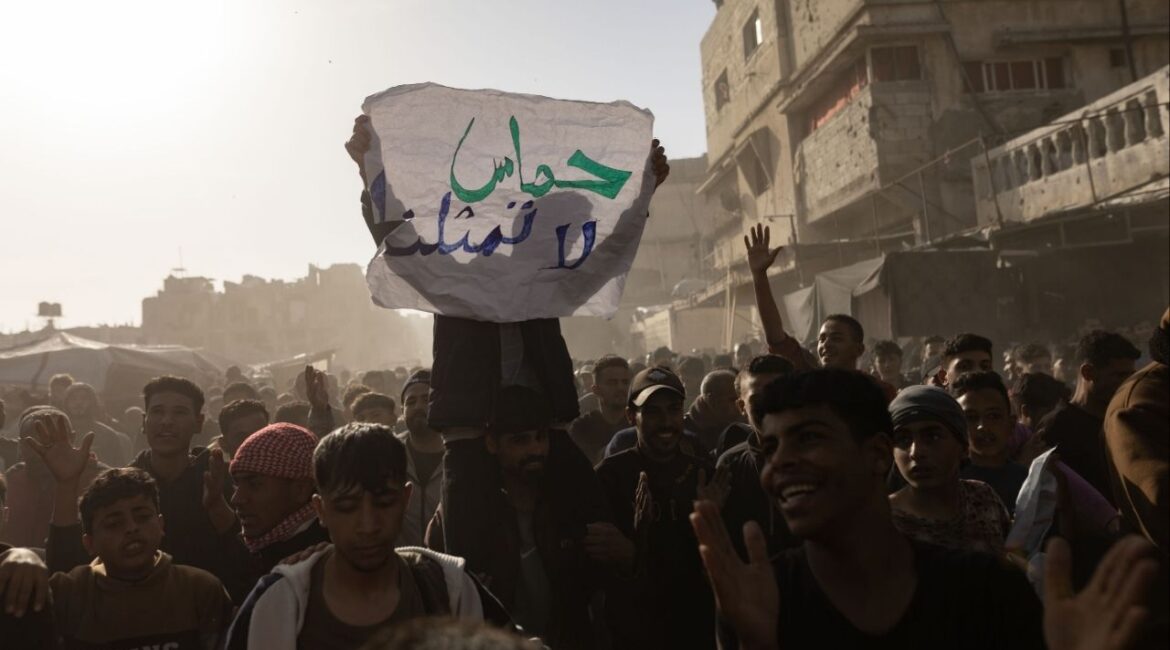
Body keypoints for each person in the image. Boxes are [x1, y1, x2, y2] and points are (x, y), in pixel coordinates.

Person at [693, 368, 1161, 650]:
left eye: (809, 438)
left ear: (876, 454)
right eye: (771, 447)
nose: (781, 465)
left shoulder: (985, 589)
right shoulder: (766, 599)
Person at [225, 422, 512, 650]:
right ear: (320, 509)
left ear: (405, 499)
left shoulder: (448, 586)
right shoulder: (278, 602)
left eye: (384, 503)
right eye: (347, 508)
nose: (367, 525)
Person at [21, 415, 233, 650]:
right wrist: (66, 484)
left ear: (161, 525)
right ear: (89, 543)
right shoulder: (70, 593)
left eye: (142, 517)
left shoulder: (200, 589)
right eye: (114, 524)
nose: (132, 528)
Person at [427, 386, 602, 648]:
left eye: (540, 438)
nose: (535, 449)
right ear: (492, 443)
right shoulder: (462, 517)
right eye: (520, 440)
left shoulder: (567, 506)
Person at [595, 365, 722, 649]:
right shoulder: (610, 477)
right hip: (636, 632)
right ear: (631, 416)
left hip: (695, 628)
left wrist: (712, 524)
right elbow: (596, 571)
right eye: (652, 412)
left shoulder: (703, 475)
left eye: (673, 410)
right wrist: (633, 549)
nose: (666, 422)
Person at [744, 224, 894, 400]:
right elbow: (776, 336)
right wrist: (759, 276)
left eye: (836, 338)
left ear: (859, 349)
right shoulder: (810, 379)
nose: (826, 345)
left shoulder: (878, 391)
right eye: (822, 339)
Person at [126, 376, 240, 596]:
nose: (167, 421)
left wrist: (217, 506)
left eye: (179, 412)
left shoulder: (219, 478)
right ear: (144, 421)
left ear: (198, 422)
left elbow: (248, 555)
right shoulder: (126, 484)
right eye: (158, 412)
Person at [888, 386, 1010, 554]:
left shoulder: (982, 498)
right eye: (903, 439)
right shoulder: (883, 522)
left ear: (962, 446)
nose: (916, 452)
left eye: (932, 437)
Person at [1036, 330, 1141, 506]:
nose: (1129, 384)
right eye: (1120, 375)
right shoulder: (1057, 428)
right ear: (1088, 373)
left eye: (1131, 375)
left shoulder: (1128, 420)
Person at [716, 355, 796, 559]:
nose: (769, 406)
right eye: (758, 398)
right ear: (742, 407)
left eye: (778, 395)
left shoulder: (817, 457)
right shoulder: (729, 465)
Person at [3, 408, 106, 549]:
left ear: (72, 438)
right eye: (32, 443)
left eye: (49, 443)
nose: (41, 453)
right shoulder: (12, 480)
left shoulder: (99, 482)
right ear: (20, 445)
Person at [951, 371, 1029, 514]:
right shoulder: (948, 483)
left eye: (993, 416)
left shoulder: (1028, 482)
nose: (983, 426)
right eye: (971, 417)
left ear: (1011, 424)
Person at [396, 370, 444, 548]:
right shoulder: (389, 452)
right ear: (402, 410)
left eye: (426, 399)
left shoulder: (458, 456)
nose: (418, 406)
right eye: (411, 401)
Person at [569, 355, 632, 466]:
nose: (620, 388)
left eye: (625, 382)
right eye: (612, 383)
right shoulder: (581, 428)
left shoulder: (638, 423)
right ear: (596, 390)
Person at [61, 382, 132, 467]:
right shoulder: (59, 434)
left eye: (84, 398)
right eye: (73, 398)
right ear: (66, 402)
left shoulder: (108, 435)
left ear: (92, 402)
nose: (78, 402)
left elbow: (119, 469)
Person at [684, 369, 743, 453]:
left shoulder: (743, 423)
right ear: (712, 400)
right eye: (733, 399)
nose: (739, 403)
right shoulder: (686, 432)